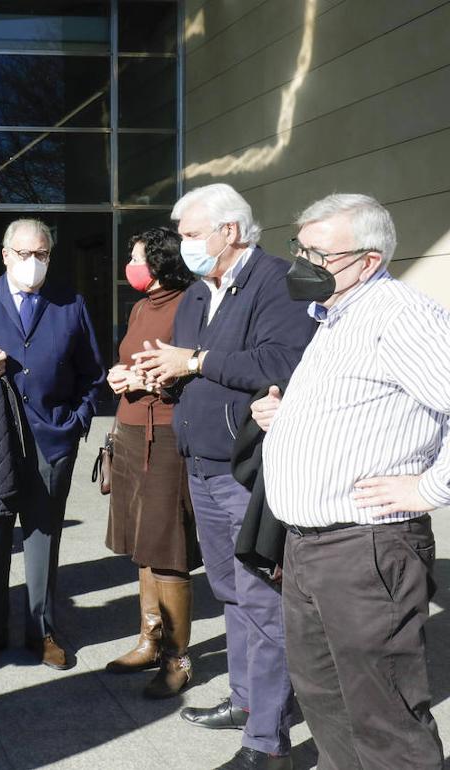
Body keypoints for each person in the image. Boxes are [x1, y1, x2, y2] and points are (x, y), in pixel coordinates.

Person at [256, 194, 448, 770]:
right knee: (324, 697)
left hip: (366, 549)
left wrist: (430, 489)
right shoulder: (336, 316)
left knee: (383, 713)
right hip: (309, 547)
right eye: (300, 247)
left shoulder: (400, 315)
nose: (302, 262)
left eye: (319, 253)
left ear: (367, 261)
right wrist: (285, 416)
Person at [132, 184, 315, 770]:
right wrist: (151, 376)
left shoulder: (276, 282)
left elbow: (282, 363)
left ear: (229, 232)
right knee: (231, 592)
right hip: (201, 463)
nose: (183, 246)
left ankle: (268, 744)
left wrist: (196, 362)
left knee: (262, 597)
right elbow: (187, 366)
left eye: (190, 235)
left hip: (249, 466)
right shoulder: (197, 294)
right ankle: (248, 702)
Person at [0, 218, 105, 669]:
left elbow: (92, 373)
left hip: (51, 440)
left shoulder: (69, 303)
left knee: (43, 537)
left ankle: (43, 632)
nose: (33, 263)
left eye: (42, 255)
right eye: (24, 254)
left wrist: (76, 423)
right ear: (5, 255)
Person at [103, 226, 200, 698]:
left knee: (166, 545)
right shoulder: (141, 306)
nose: (132, 265)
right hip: (129, 429)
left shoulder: (191, 303)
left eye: (138, 257)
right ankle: (149, 639)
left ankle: (177, 658)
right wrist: (120, 374)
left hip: (165, 434)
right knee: (142, 545)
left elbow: (193, 369)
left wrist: (154, 381)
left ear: (161, 262)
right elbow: (131, 357)